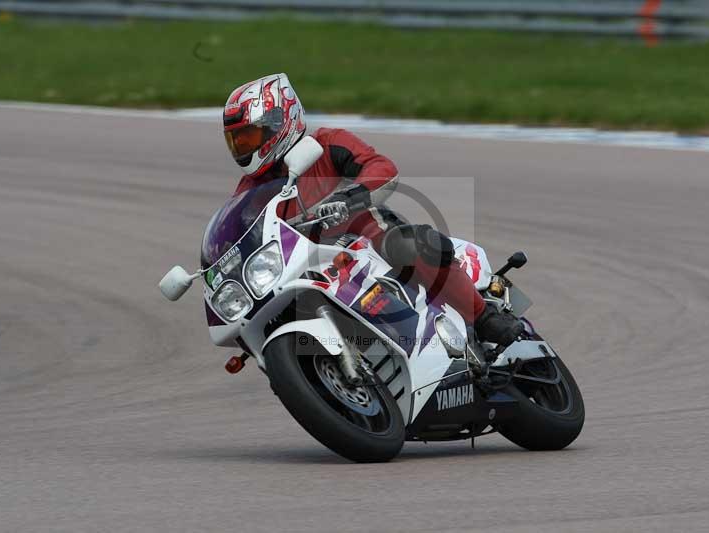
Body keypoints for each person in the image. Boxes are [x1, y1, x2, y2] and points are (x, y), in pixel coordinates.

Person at [223, 73, 522, 346]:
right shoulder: (249, 190)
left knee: (409, 243)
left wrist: (354, 194)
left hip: (368, 239)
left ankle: (484, 319)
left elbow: (380, 166)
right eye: (236, 141)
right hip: (309, 265)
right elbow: (235, 233)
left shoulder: (328, 144)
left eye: (248, 137)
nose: (242, 148)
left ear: (279, 121)